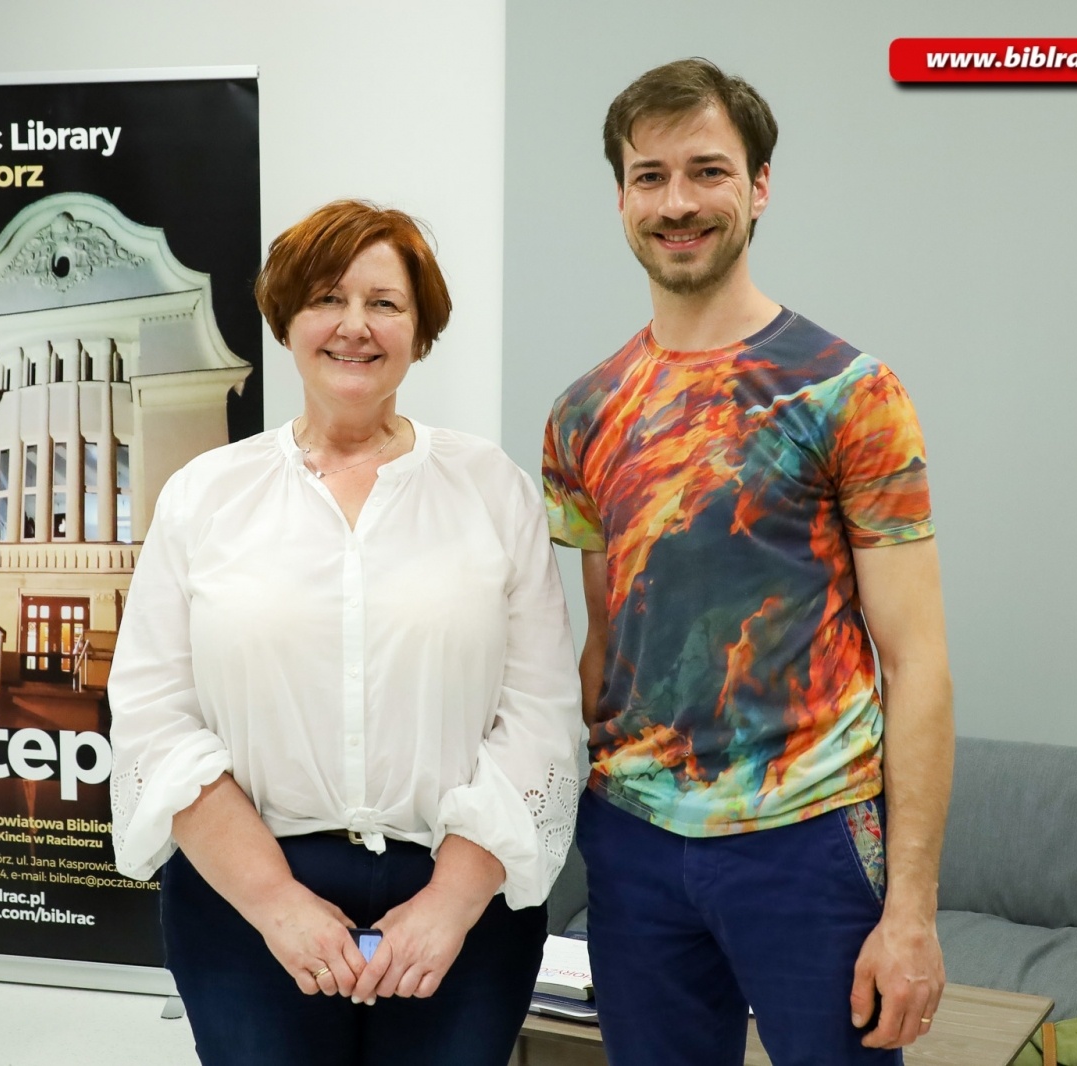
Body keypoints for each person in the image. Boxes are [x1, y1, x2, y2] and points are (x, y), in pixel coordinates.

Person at [542, 58, 955, 1066]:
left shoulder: (848, 392)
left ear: (759, 186)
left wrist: (910, 911)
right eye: (649, 176)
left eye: (707, 170)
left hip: (807, 843)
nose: (677, 202)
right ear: (621, 197)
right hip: (633, 848)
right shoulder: (582, 414)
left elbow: (918, 665)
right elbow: (605, 647)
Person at [109, 199, 583, 1066]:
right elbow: (154, 716)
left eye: (385, 303)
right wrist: (275, 903)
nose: (354, 327)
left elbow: (542, 716)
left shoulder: (492, 489)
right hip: (245, 894)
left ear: (421, 329)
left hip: (461, 892)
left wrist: (448, 904)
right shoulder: (205, 496)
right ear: (286, 320)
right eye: (327, 298)